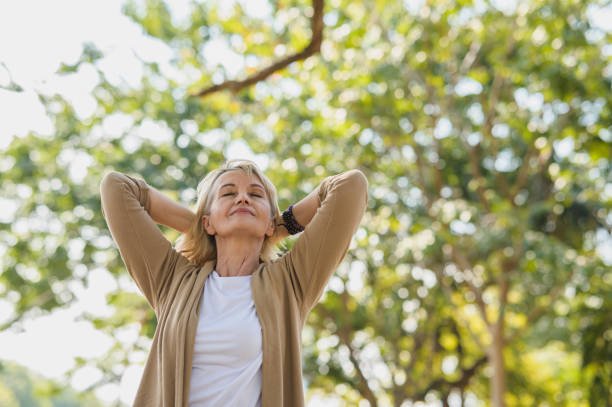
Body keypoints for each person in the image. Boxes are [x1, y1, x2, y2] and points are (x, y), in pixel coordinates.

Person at [99, 158, 368, 406]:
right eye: (228, 193)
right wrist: (200, 227)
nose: (242, 198)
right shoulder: (172, 279)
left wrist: (279, 225)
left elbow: (350, 187)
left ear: (270, 223)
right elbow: (117, 188)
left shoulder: (291, 281)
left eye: (255, 195)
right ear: (208, 222)